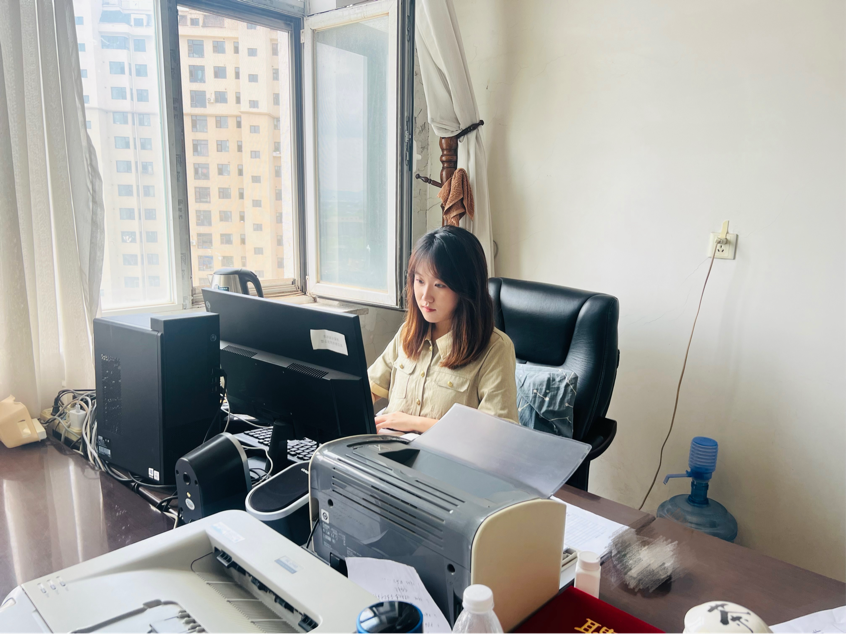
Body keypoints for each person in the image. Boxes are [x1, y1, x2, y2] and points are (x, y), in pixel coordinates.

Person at [368, 226, 518, 435]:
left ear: (466, 288)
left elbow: (496, 434)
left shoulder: (495, 349)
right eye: (420, 281)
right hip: (384, 449)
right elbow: (368, 389)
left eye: (439, 285)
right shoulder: (408, 333)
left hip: (440, 455)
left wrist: (414, 423)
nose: (425, 296)